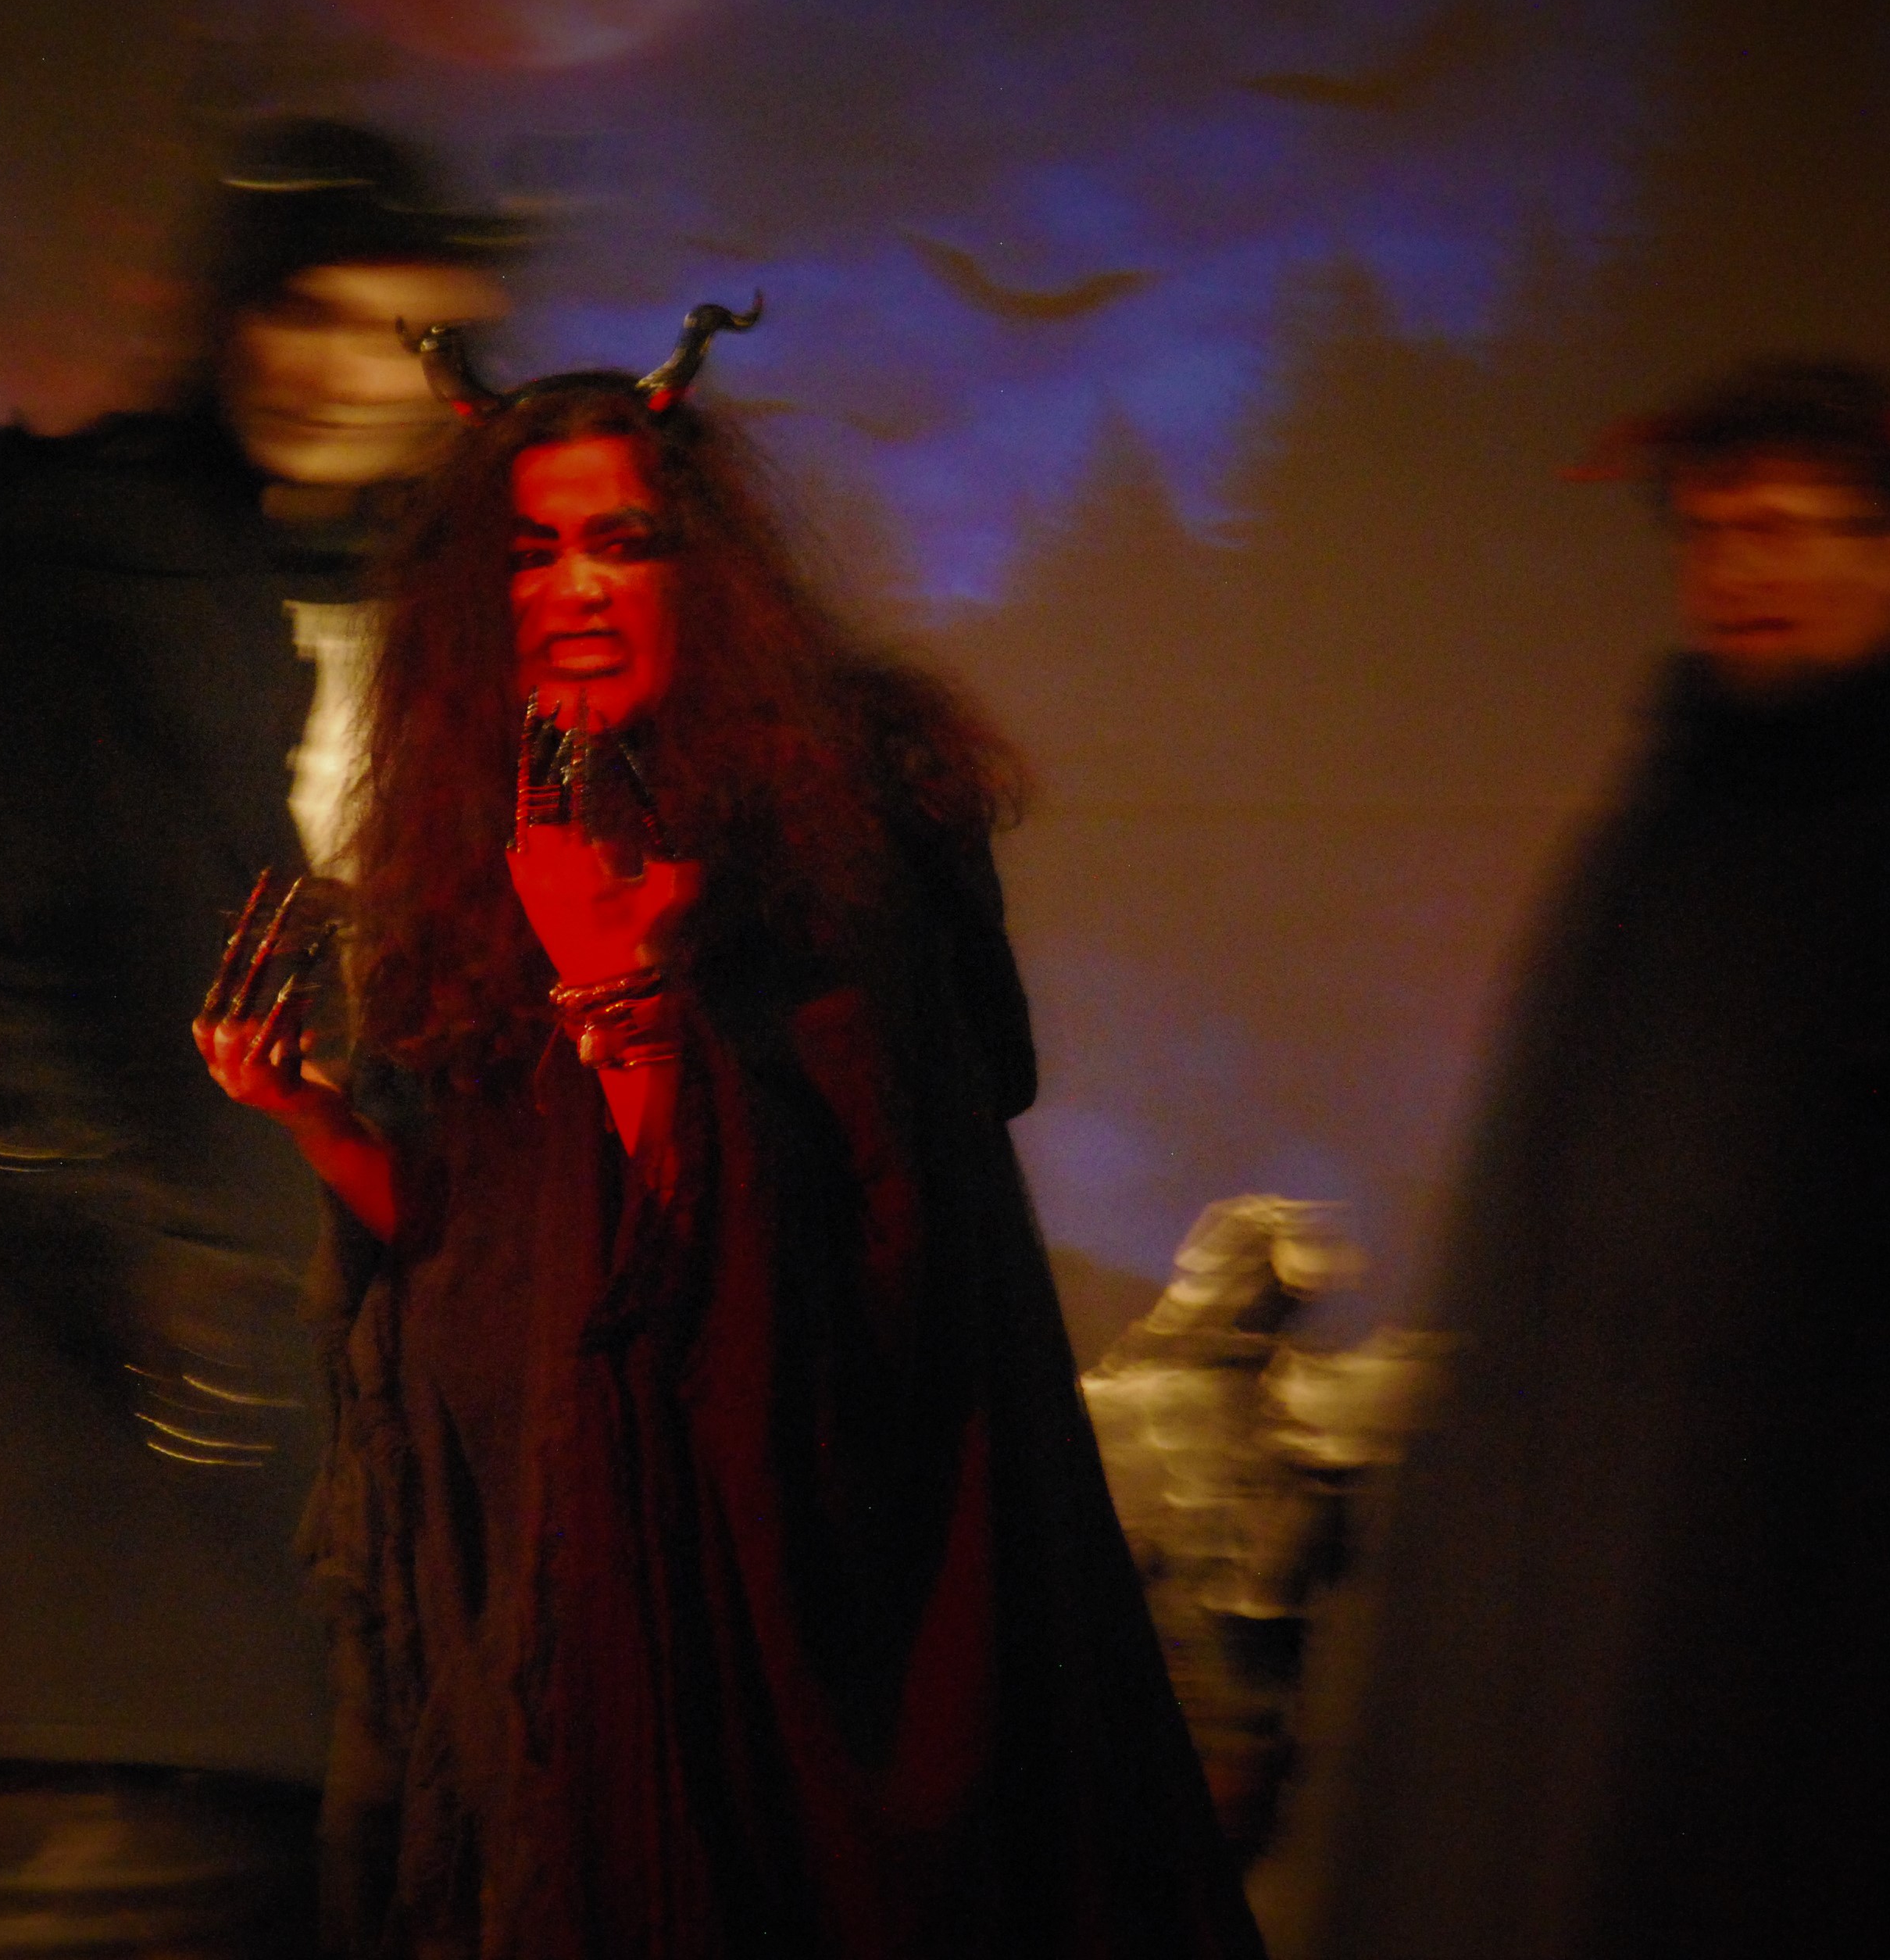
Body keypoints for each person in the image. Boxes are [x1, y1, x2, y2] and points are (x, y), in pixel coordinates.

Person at [197, 309, 1265, 1960]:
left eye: (622, 544)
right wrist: (307, 1111)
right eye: (532, 555)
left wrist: (626, 993)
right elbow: (484, 1260)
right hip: (574, 1585)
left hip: (795, 1609)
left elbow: (848, 1268)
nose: (576, 590)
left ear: (704, 573)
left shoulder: (837, 837)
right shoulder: (475, 847)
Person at [0, 120, 518, 1960]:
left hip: (394, 1477)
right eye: (297, 310)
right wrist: (140, 1273)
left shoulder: (493, 626)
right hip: (123, 1516)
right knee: (122, 1872)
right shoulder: (85, 599)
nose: (330, 369)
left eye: (393, 329)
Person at [1314, 359, 1890, 1960]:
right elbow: (1577, 1159)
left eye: (1783, 527)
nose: (1737, 570)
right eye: (1708, 534)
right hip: (1689, 1514)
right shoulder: (1677, 808)